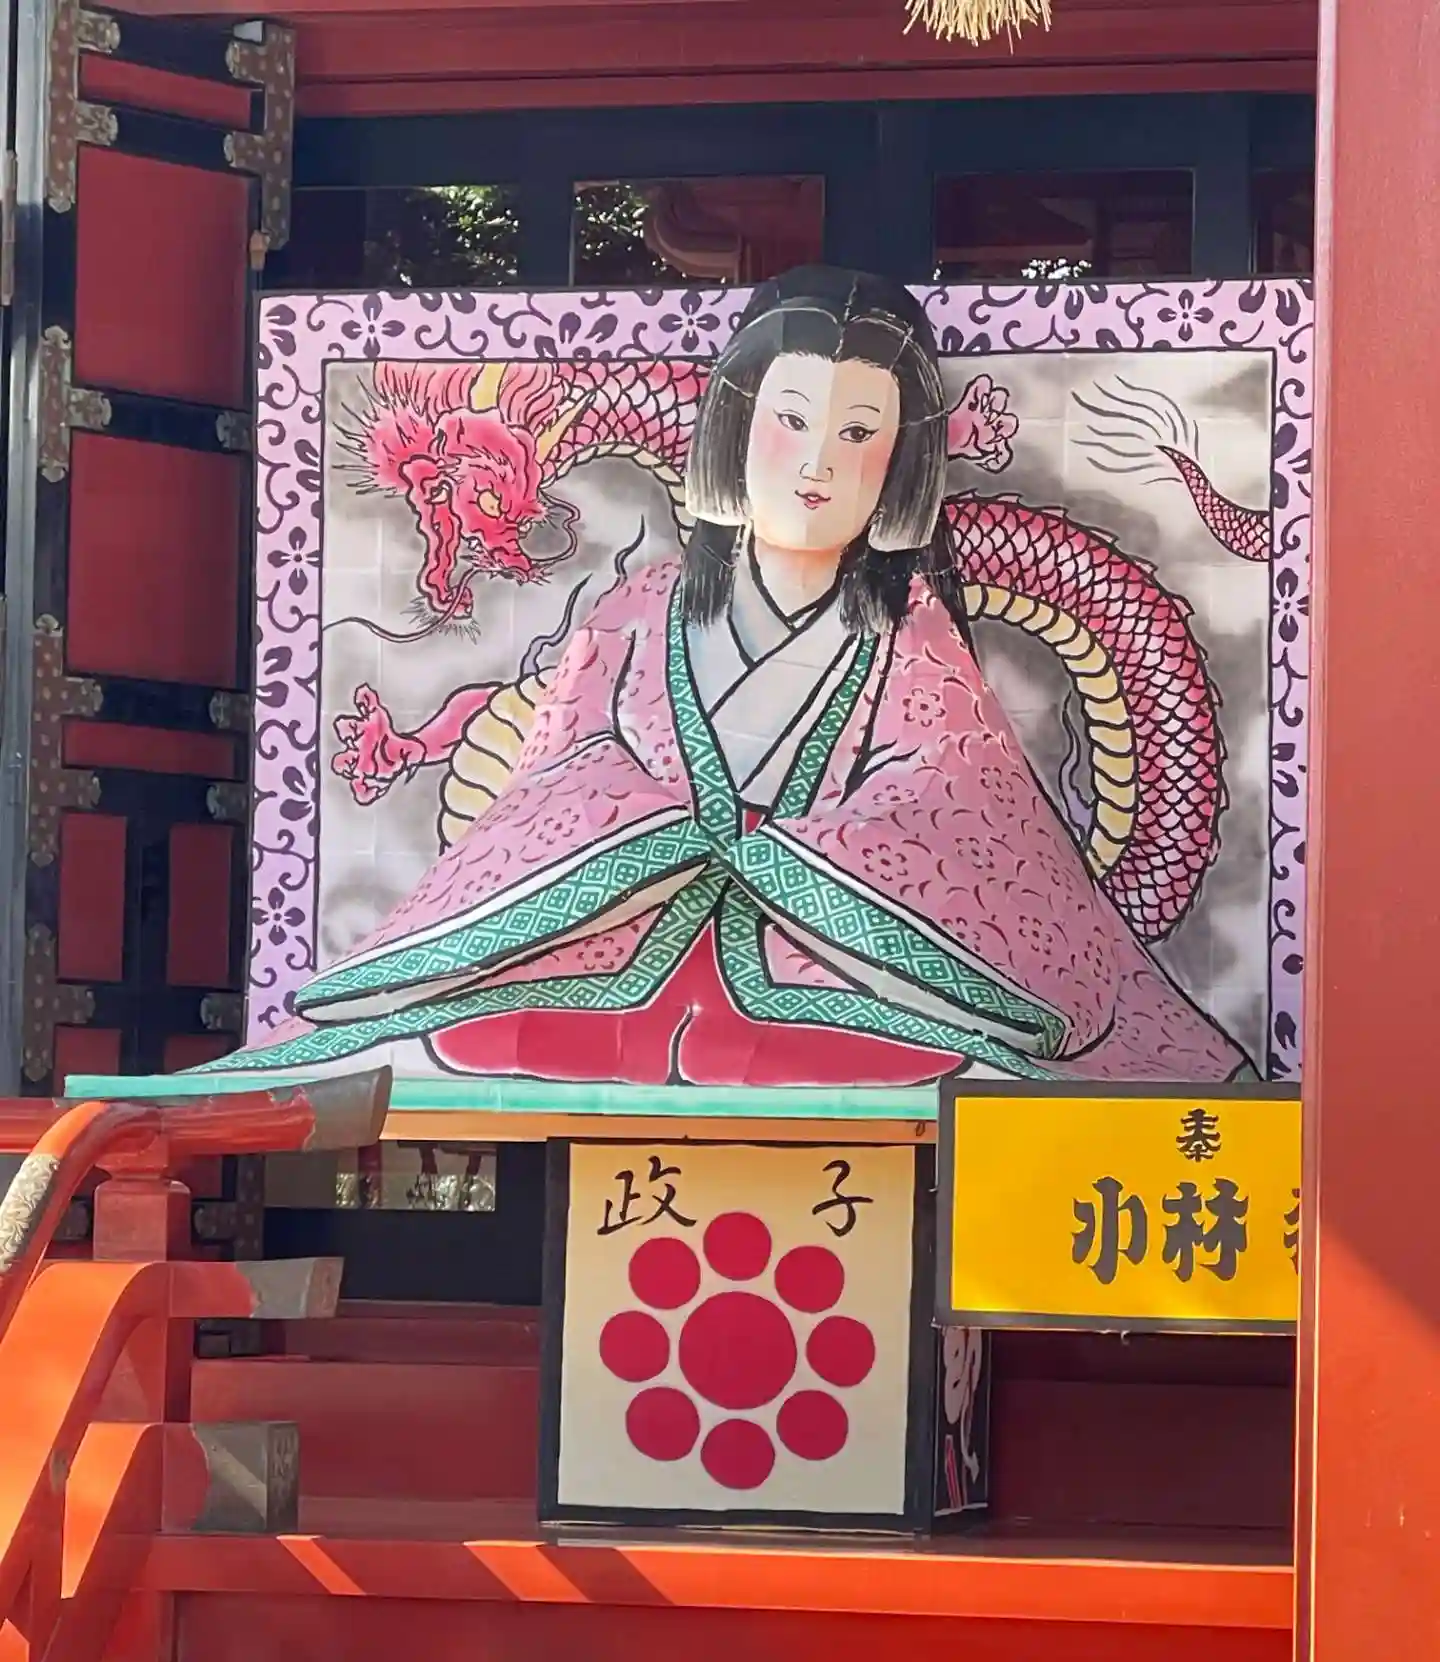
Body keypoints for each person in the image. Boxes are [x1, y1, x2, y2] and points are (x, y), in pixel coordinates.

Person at [226, 266, 1246, 1087]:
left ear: (901, 464)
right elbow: (553, 773)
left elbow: (958, 805)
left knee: (950, 1067)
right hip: (618, 941)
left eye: (859, 433)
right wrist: (651, 836)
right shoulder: (639, 608)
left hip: (822, 966)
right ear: (732, 425)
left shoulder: (910, 634)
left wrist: (795, 865)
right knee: (444, 1045)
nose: (818, 464)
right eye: (791, 420)